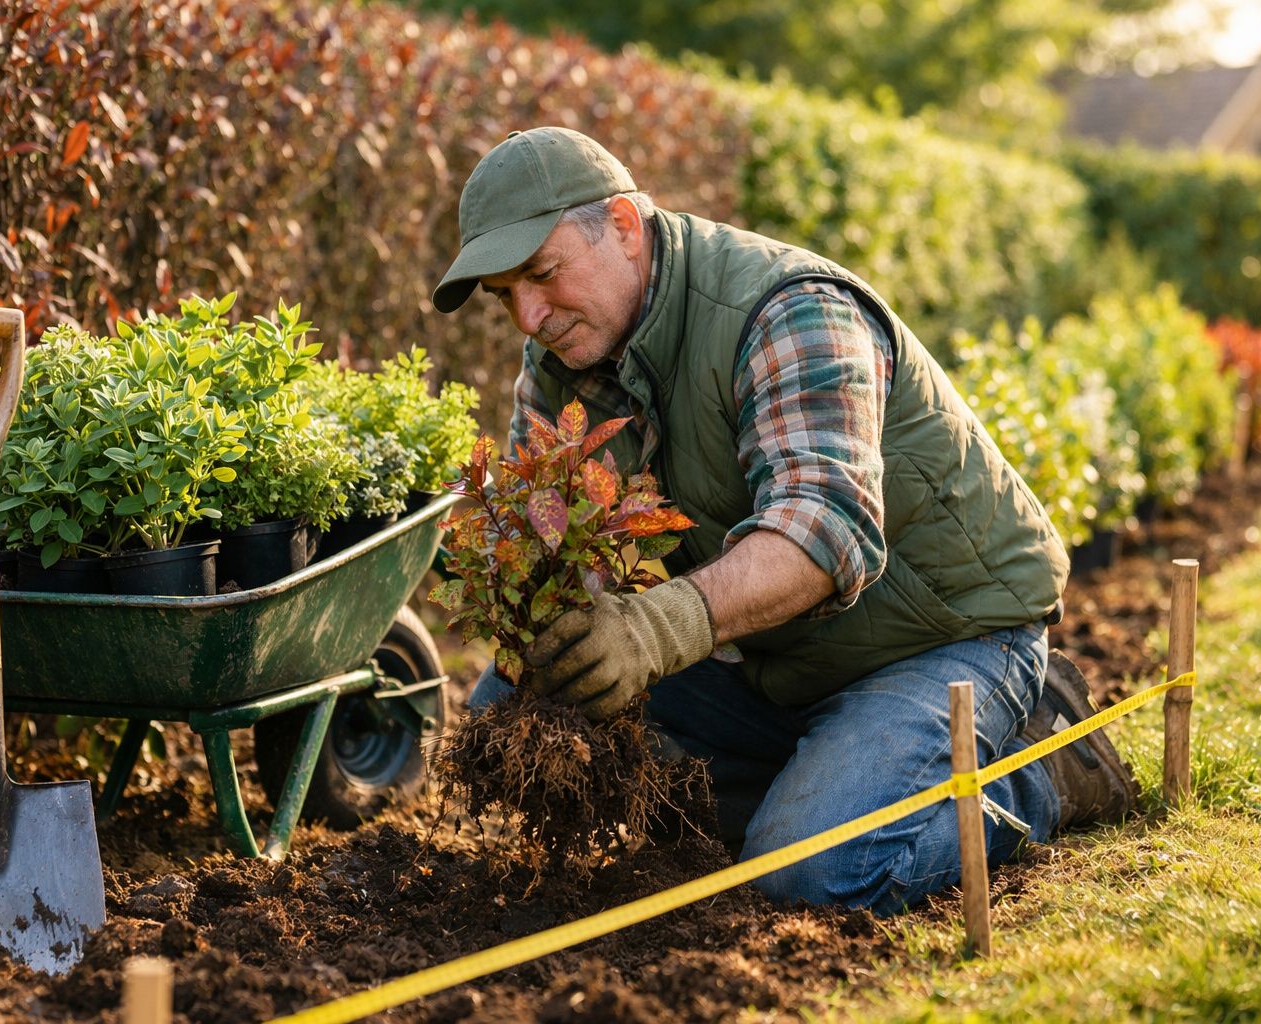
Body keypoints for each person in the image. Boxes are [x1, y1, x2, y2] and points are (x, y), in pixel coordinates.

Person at [431, 126, 1138, 914]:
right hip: (783, 660)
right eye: (505, 296)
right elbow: (556, 543)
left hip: (942, 639)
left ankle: (1042, 773)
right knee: (519, 697)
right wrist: (545, 608)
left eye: (542, 272)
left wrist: (650, 630)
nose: (528, 316)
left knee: (812, 873)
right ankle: (822, 784)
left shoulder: (785, 310)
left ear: (625, 227)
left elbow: (823, 529)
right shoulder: (566, 359)